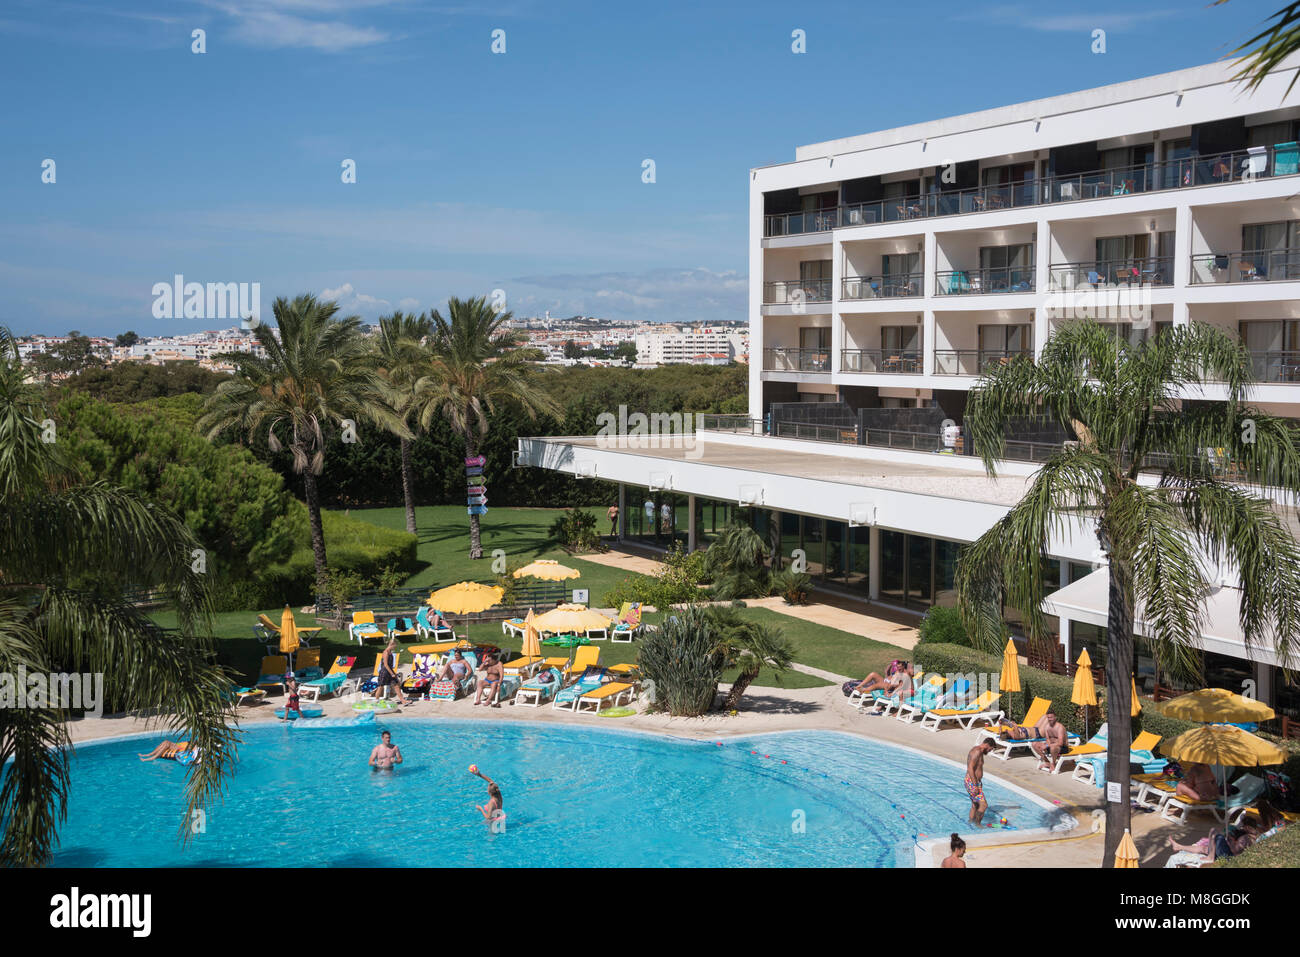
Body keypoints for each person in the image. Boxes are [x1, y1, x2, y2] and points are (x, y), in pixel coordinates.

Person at [965, 739, 996, 825]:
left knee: (975, 805)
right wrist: (975, 785)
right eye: (991, 749)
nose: (990, 751)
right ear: (987, 745)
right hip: (972, 782)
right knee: (983, 805)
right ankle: (977, 825)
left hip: (972, 781)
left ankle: (970, 823)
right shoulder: (977, 751)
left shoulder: (978, 751)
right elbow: (970, 768)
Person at [373, 638, 402, 702]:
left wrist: (392, 673)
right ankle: (376, 701)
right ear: (392, 644)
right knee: (380, 687)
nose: (395, 647)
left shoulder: (390, 652)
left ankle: (403, 701)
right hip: (385, 672)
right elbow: (385, 665)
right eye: (395, 646)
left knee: (396, 684)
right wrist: (392, 673)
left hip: (390, 671)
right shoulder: (386, 652)